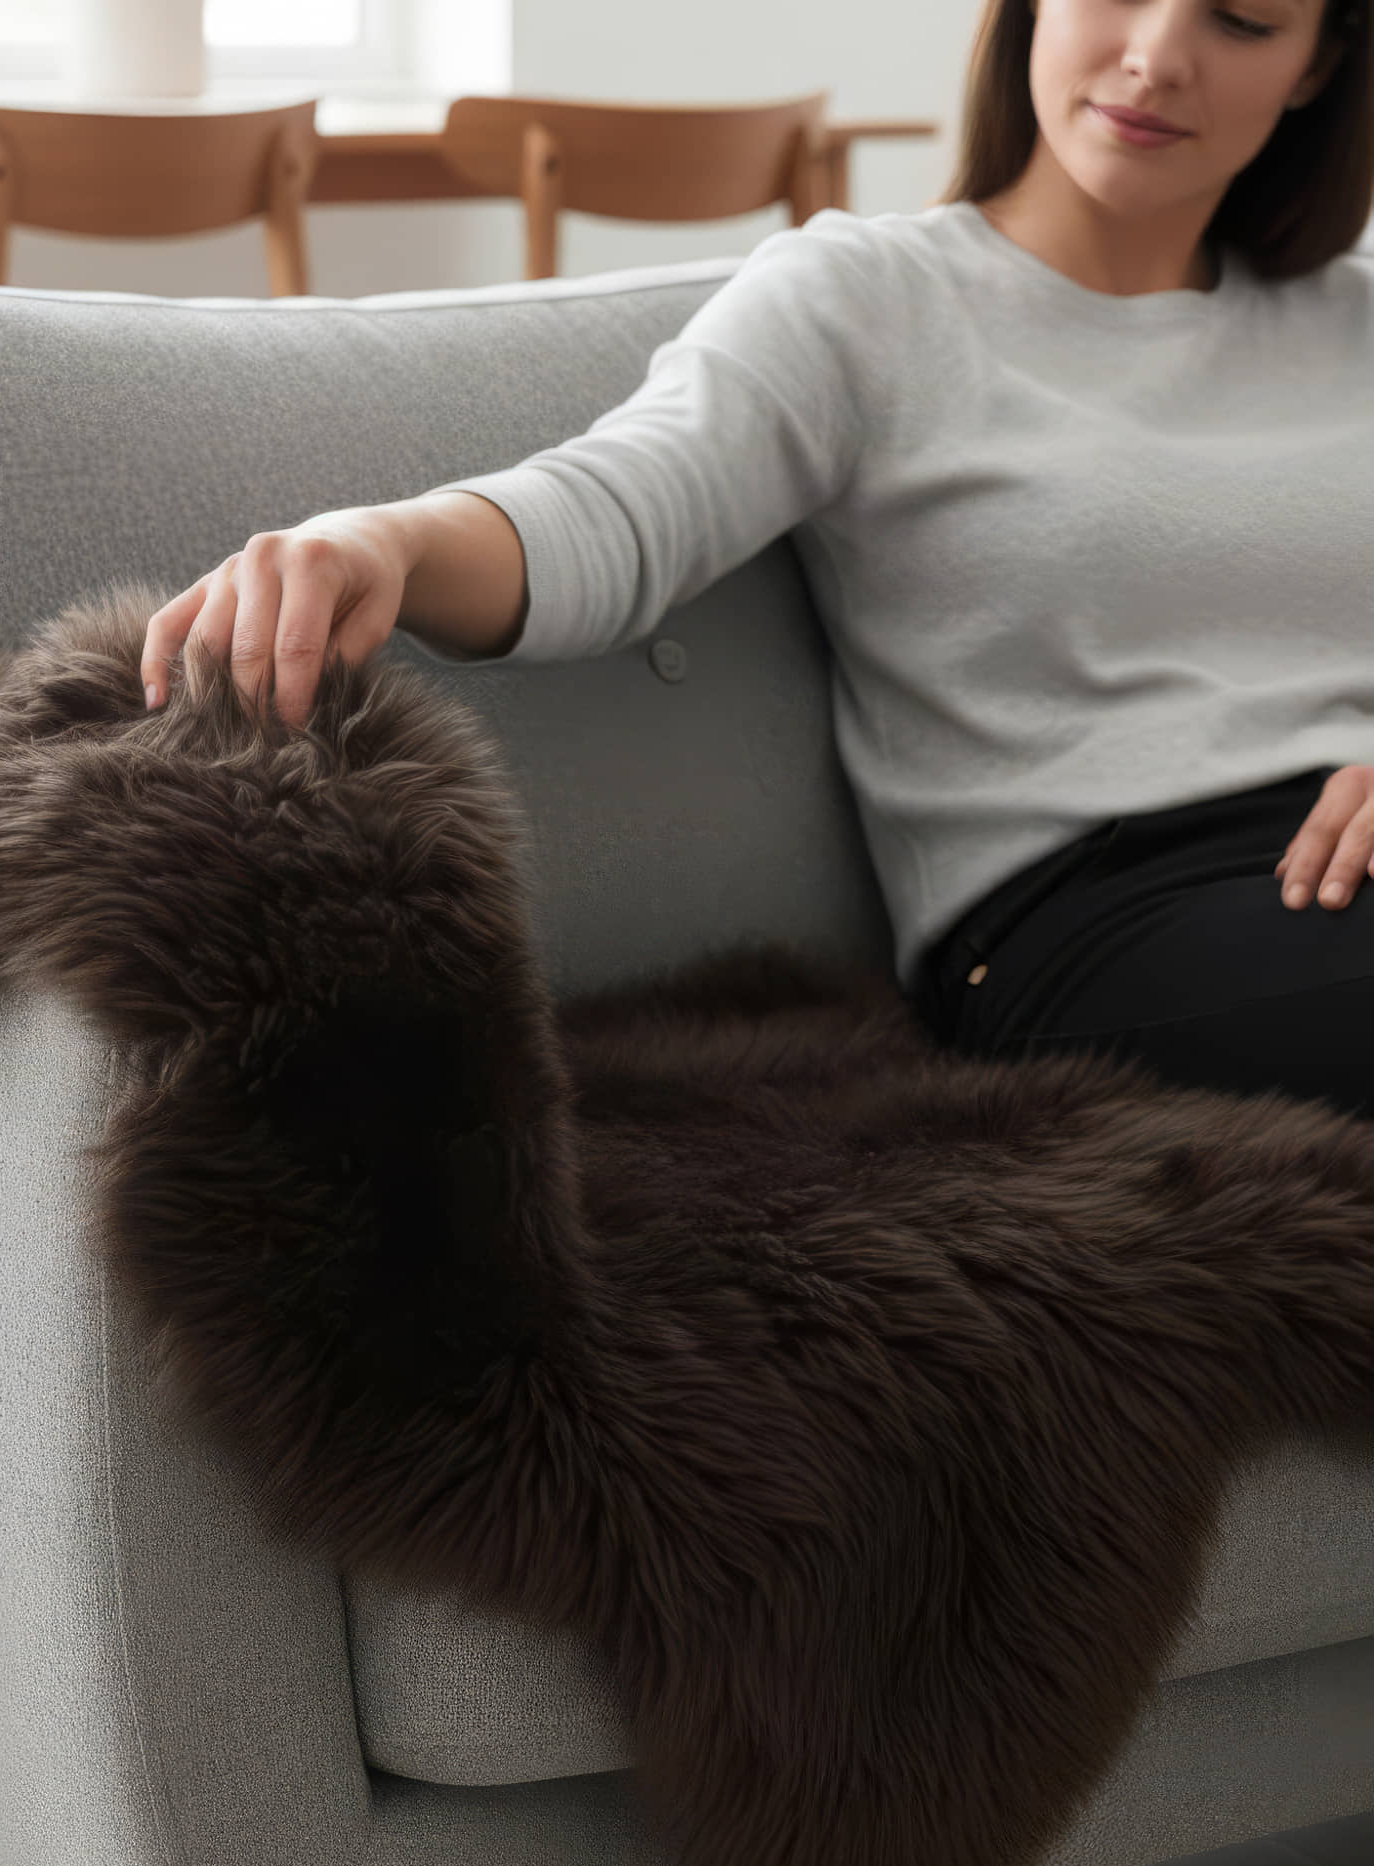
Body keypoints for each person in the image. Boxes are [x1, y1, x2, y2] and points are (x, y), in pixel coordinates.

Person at [138, 0, 1374, 1117]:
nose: (1154, 54)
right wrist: (386, 541)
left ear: (1317, 63)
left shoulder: (1350, 325)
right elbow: (617, 509)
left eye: (1239, 21)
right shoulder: (870, 299)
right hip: (1097, 915)